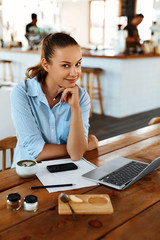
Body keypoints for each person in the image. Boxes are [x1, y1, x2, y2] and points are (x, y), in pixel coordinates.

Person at [10, 32, 98, 167]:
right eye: (66, 65)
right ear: (46, 64)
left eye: (78, 64)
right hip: (28, 174)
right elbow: (37, 151)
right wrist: (85, 144)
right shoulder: (22, 93)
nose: (74, 73)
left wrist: (75, 108)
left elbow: (76, 154)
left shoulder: (81, 96)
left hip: (65, 170)